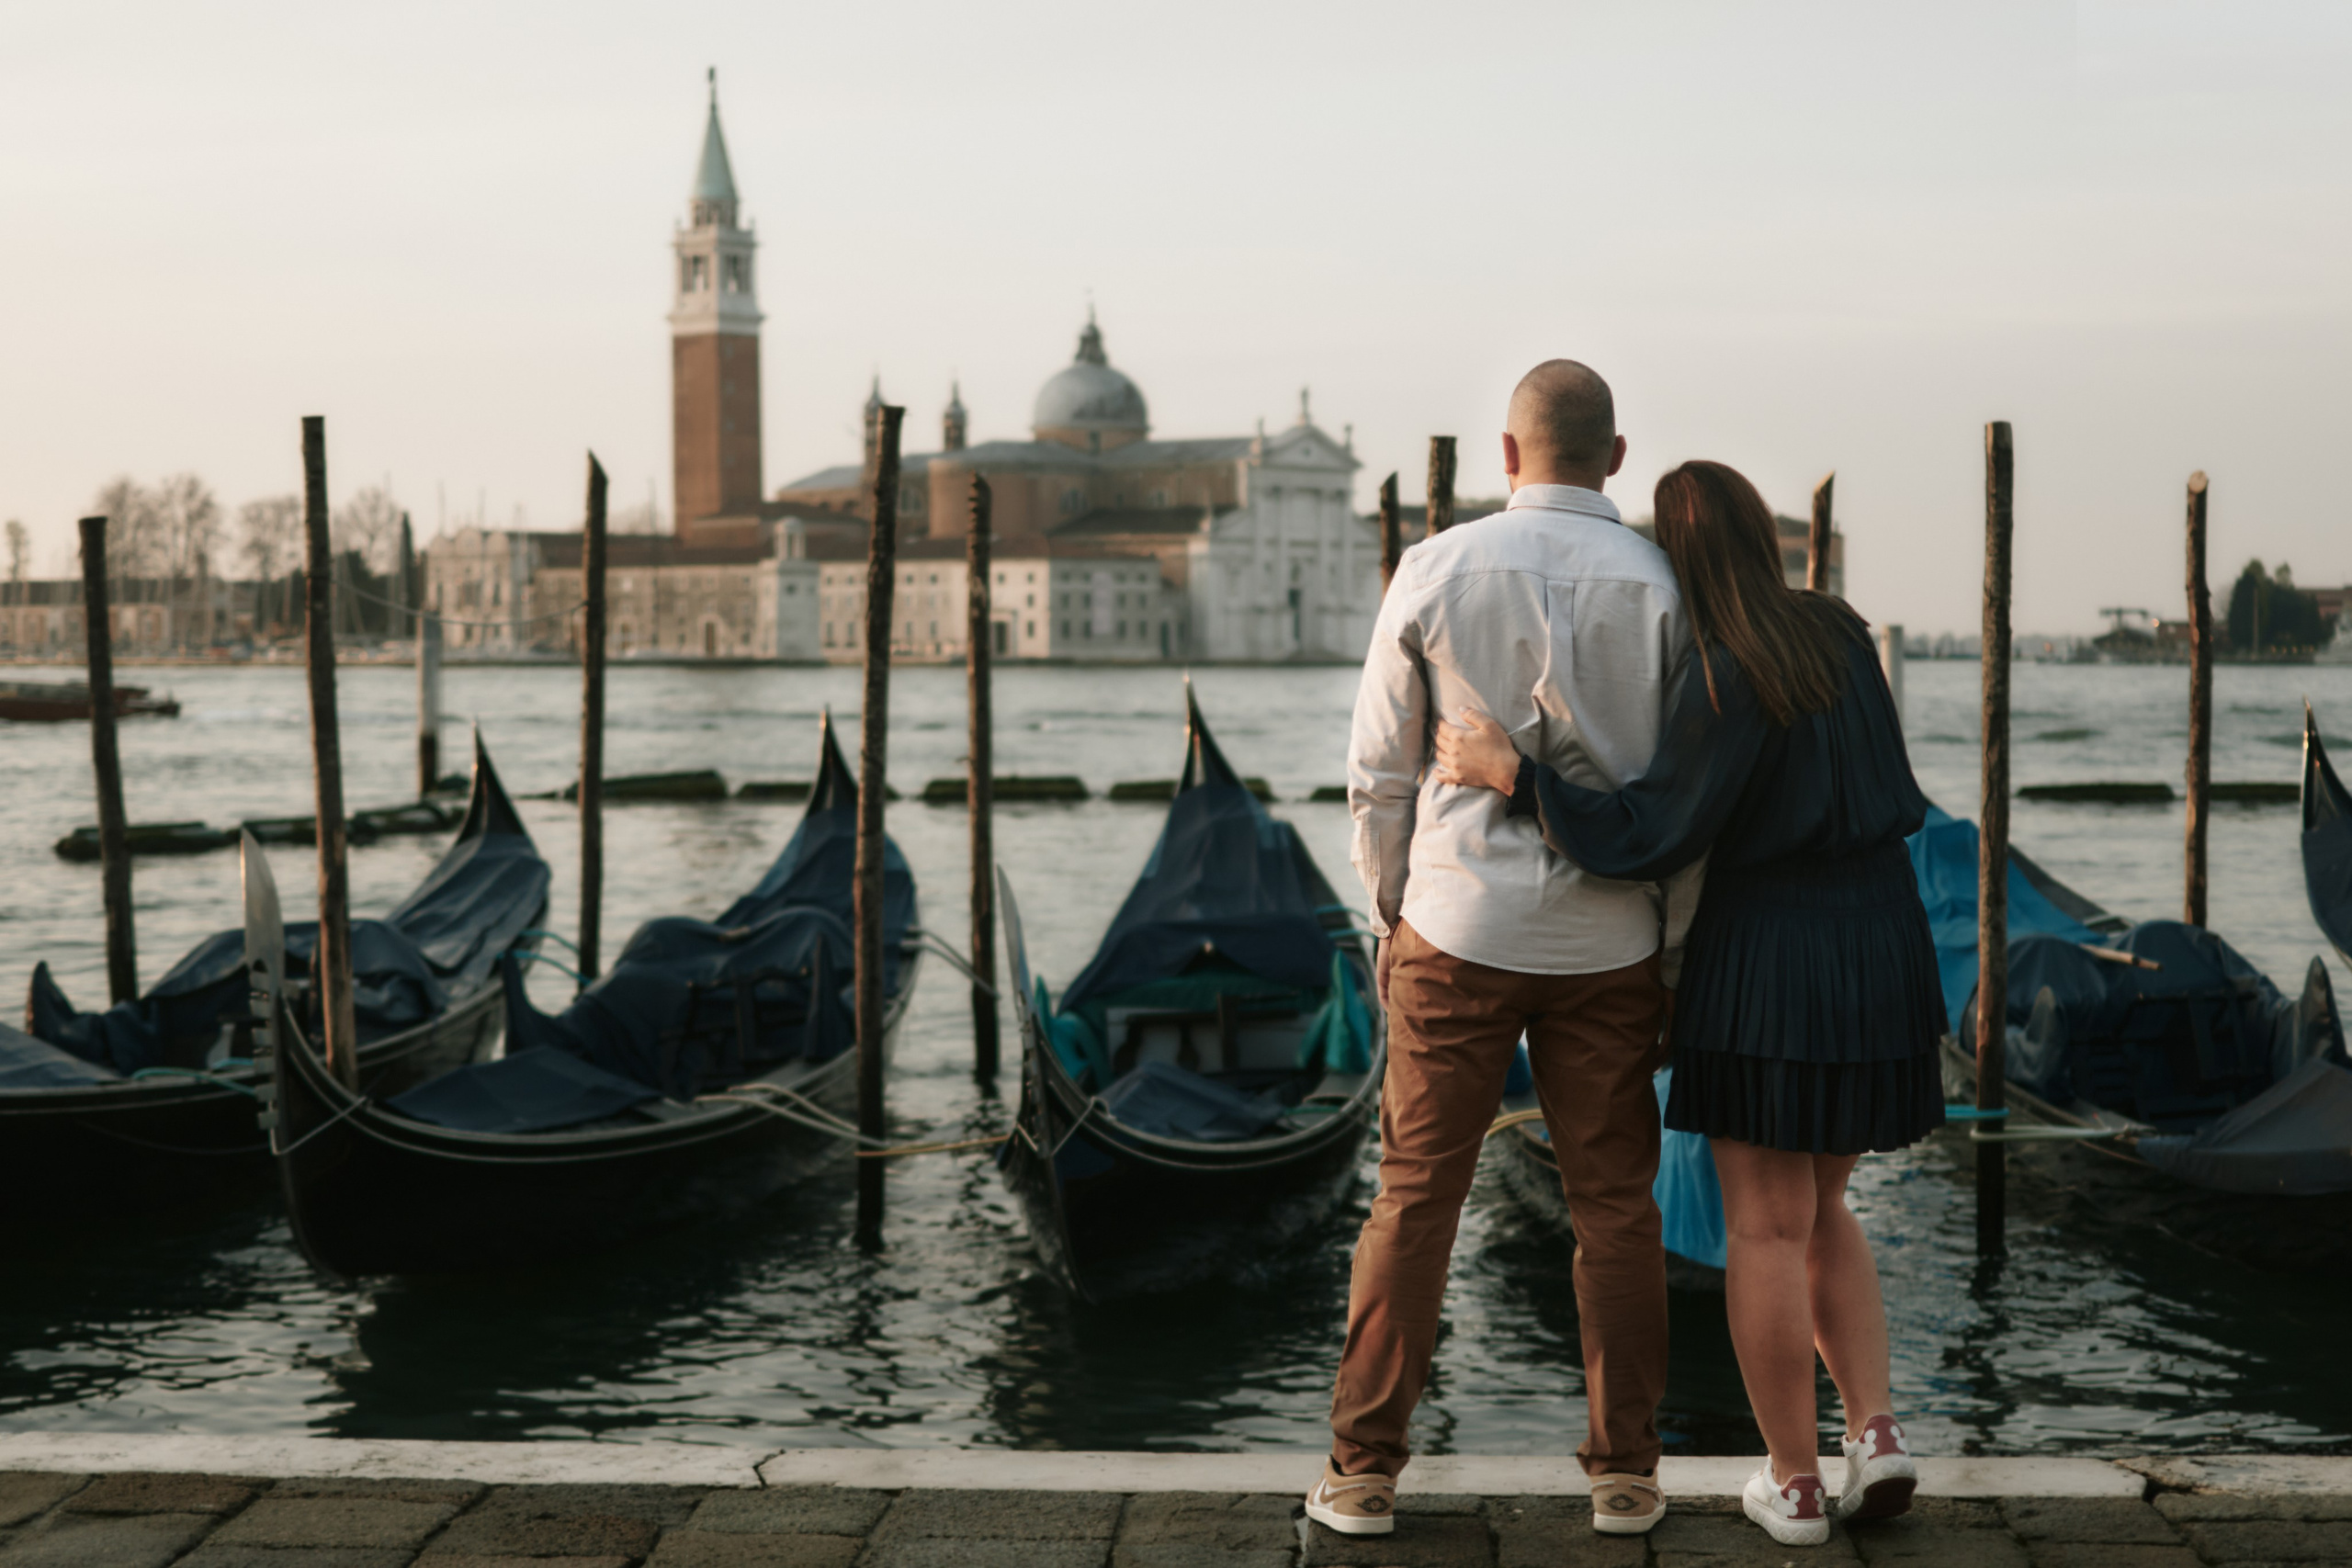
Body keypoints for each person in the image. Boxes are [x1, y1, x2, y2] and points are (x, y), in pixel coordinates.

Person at [1431, 458, 1944, 1549]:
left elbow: (1650, 834)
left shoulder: (1722, 670)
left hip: (1773, 947)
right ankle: (1878, 1435)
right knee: (1825, 1211)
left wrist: (1510, 773)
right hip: (1883, 936)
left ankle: (1795, 1486)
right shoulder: (1841, 632)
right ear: (1767, 537)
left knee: (1763, 1226)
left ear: (1673, 555)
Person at [1309, 360, 1699, 1541]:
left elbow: (1378, 771)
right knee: (1616, 1210)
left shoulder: (1434, 567)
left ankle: (1363, 1473)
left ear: (1509, 453)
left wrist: (1390, 918)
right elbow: (1684, 812)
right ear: (1616, 457)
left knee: (1415, 1199)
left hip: (1456, 927)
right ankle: (1625, 1477)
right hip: (1609, 941)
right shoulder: (1666, 587)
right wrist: (1671, 950)